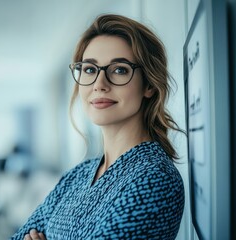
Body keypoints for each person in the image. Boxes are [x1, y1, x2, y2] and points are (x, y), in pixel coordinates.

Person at [11, 14, 185, 240]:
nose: (99, 84)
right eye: (90, 70)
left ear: (149, 85)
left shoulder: (154, 178)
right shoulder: (78, 175)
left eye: (120, 69)